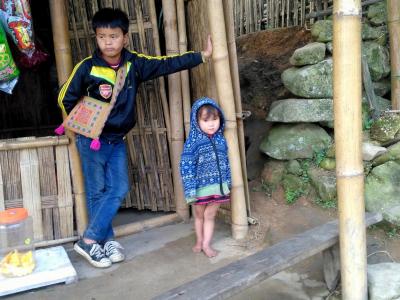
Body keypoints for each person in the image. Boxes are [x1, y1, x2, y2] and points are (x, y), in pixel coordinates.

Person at [57, 8, 212, 268]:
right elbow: (65, 97)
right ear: (96, 38)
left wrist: (201, 57)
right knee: (97, 193)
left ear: (125, 38)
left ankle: (90, 240)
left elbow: (166, 64)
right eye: (102, 36)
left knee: (117, 189)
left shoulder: (134, 64)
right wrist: (87, 121)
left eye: (114, 36)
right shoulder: (87, 67)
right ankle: (103, 243)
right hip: (91, 141)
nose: (108, 42)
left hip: (117, 140)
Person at [180, 97, 231, 258]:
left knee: (210, 215)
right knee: (200, 215)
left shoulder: (221, 140)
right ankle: (199, 241)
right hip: (199, 188)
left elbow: (226, 164)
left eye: (215, 119)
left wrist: (228, 183)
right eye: (206, 120)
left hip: (219, 187)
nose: (211, 124)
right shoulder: (192, 143)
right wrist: (190, 190)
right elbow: (186, 167)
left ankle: (206, 245)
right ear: (196, 121)